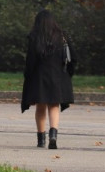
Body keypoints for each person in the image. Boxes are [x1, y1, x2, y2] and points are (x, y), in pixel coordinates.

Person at [21, 9, 75, 149]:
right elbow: (73, 57)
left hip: (40, 78)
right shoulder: (62, 36)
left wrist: (28, 75)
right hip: (57, 77)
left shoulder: (35, 37)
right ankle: (53, 135)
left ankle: (41, 140)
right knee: (54, 106)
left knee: (40, 107)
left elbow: (30, 60)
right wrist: (69, 73)